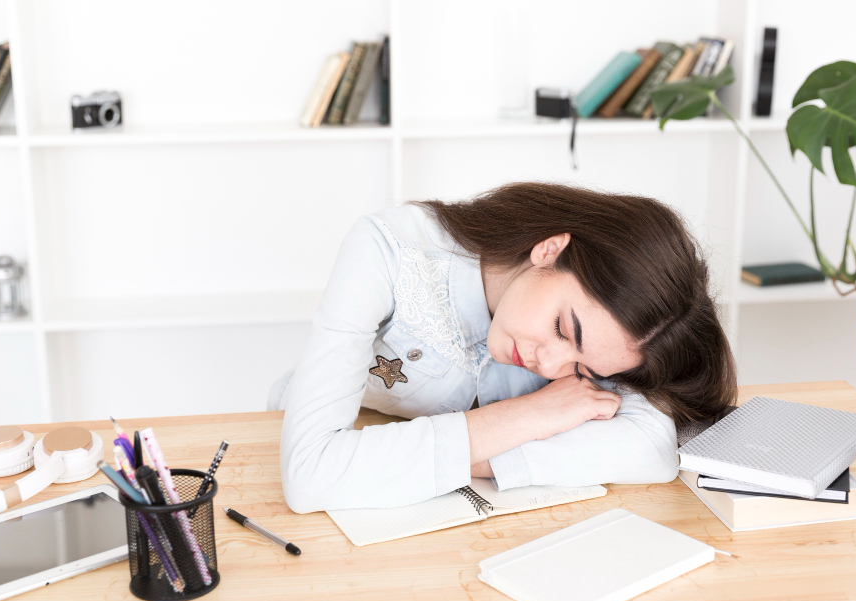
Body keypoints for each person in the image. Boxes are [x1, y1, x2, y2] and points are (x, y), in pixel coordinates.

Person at [271, 182, 736, 514]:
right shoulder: (387, 249)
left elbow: (653, 450)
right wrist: (528, 415)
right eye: (561, 328)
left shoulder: (611, 336)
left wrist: (475, 460)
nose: (553, 365)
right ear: (549, 250)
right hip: (291, 428)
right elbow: (310, 475)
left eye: (584, 367)